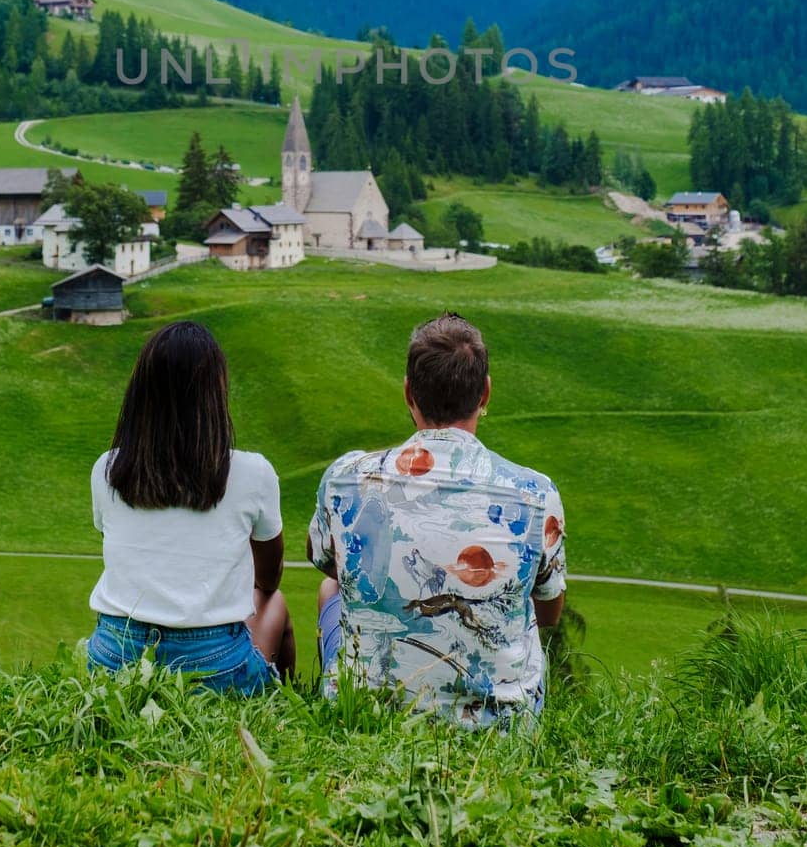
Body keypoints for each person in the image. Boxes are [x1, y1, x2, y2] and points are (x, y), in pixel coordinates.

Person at [308, 312, 566, 727]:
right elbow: (551, 612)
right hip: (499, 729)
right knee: (527, 608)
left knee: (330, 588)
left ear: (408, 392)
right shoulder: (536, 494)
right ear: (485, 393)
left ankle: (357, 695)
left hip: (367, 716)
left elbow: (324, 560)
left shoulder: (345, 477)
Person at [86, 319, 294, 689]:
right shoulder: (252, 471)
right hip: (211, 660)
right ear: (216, 394)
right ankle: (286, 701)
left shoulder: (109, 468)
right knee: (274, 602)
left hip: (114, 657)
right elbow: (269, 576)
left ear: (141, 393)